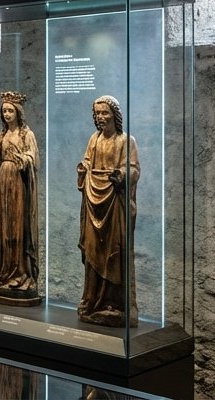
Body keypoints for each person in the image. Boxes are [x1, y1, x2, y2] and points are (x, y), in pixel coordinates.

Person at [76, 94, 140, 326]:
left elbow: (133, 169)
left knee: (115, 252)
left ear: (115, 115)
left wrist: (121, 174)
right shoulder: (94, 139)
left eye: (105, 113)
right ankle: (92, 301)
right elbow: (87, 162)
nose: (101, 117)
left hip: (114, 203)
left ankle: (115, 304)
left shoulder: (126, 141)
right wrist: (83, 169)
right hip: (94, 202)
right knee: (93, 252)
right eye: (98, 113)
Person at [0, 90, 40, 300]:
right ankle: (4, 271)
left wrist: (23, 160)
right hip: (2, 183)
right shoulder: (3, 134)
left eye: (10, 110)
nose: (7, 114)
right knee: (2, 228)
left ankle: (20, 273)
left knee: (16, 228)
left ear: (18, 112)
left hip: (17, 184)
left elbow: (33, 158)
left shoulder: (26, 134)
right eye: (4, 111)